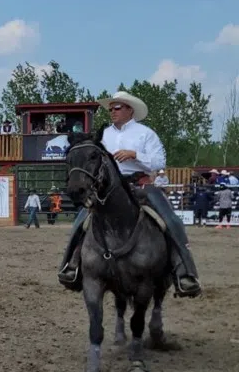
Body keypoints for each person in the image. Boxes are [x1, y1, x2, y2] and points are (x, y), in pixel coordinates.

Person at [57, 91, 201, 297]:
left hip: (140, 185)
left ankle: (185, 272)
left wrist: (135, 155)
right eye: (110, 109)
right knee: (80, 222)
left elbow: (159, 161)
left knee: (171, 220)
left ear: (129, 110)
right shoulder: (103, 135)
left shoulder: (145, 133)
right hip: (108, 189)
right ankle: (71, 266)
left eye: (117, 108)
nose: (112, 112)